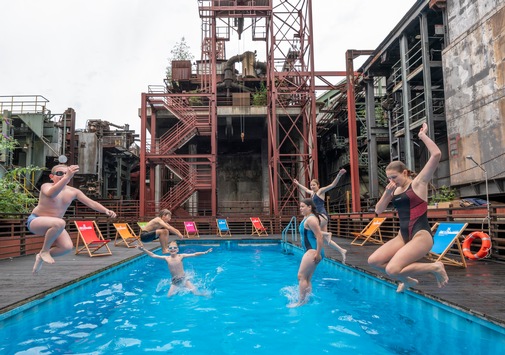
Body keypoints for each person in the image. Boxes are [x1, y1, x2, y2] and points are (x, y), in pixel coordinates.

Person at [368, 122, 448, 293]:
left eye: (394, 177)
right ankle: (407, 280)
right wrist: (387, 194)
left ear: (404, 173)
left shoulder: (419, 183)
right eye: (389, 178)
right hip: (403, 235)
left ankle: (435, 267)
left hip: (421, 235)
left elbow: (436, 154)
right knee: (373, 261)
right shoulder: (394, 189)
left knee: (392, 269)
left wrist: (422, 136)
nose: (391, 181)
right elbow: (378, 210)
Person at [28, 164, 117, 275]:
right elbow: (51, 194)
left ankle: (41, 256)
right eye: (60, 173)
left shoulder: (73, 192)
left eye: (66, 173)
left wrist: (105, 210)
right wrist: (66, 178)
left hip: (55, 225)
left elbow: (91, 203)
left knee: (66, 247)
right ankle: (45, 250)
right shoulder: (46, 186)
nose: (63, 176)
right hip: (37, 221)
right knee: (60, 222)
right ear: (52, 176)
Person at [293, 169, 347, 263]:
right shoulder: (312, 193)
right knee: (326, 241)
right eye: (311, 185)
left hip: (322, 216)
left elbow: (332, 185)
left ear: (318, 185)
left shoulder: (321, 191)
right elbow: (305, 189)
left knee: (314, 231)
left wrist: (339, 175)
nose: (312, 186)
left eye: (314, 185)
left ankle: (327, 233)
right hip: (318, 217)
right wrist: (297, 184)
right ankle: (342, 250)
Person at [137, 242, 212, 297]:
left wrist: (205, 252)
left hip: (184, 279)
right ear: (168, 250)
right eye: (170, 248)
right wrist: (143, 249)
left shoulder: (181, 256)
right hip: (174, 282)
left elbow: (194, 254)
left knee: (196, 293)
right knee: (169, 296)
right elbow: (153, 255)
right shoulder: (166, 258)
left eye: (174, 248)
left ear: (177, 250)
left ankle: (205, 295)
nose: (173, 249)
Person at [288, 198, 324, 307]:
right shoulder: (307, 218)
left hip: (312, 250)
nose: (300, 209)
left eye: (303, 206)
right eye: (300, 207)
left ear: (310, 207)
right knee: (307, 278)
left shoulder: (311, 219)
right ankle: (306, 300)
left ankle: (300, 302)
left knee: (301, 276)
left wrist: (317, 253)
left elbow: (319, 236)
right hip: (311, 250)